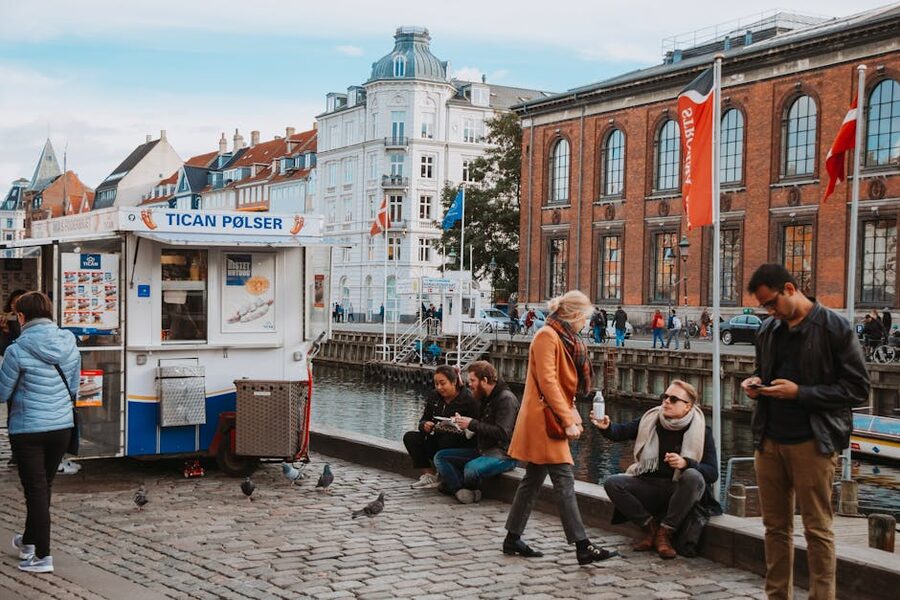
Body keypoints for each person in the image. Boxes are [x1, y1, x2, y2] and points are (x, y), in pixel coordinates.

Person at [742, 264, 869, 600]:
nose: (769, 311)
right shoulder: (769, 330)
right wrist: (756, 384)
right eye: (764, 307)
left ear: (789, 288)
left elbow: (858, 389)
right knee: (775, 529)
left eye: (771, 303)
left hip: (813, 441)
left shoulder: (834, 328)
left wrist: (800, 393)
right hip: (768, 439)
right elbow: (763, 371)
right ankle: (777, 596)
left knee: (818, 530)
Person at [503, 290, 617, 565]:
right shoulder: (547, 336)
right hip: (546, 420)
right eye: (584, 318)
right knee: (564, 478)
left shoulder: (563, 338)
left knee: (532, 480)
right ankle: (582, 545)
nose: (585, 325)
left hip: (549, 417)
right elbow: (548, 382)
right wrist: (568, 419)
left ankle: (512, 538)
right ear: (574, 315)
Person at [593, 380, 721, 559]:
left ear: (687, 407)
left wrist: (686, 463)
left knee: (693, 476)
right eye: (665, 396)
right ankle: (651, 528)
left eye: (674, 399)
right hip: (650, 485)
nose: (666, 401)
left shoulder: (702, 431)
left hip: (679, 489)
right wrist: (606, 427)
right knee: (613, 483)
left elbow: (712, 473)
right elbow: (621, 432)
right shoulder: (652, 419)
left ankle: (665, 533)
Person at [0, 291, 81, 573]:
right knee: (43, 488)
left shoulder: (16, 350)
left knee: (35, 490)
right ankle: (29, 543)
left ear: (22, 317)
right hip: (60, 427)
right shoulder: (69, 343)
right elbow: (73, 387)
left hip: (28, 430)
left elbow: (2, 392)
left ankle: (43, 557)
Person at [432, 361, 520, 504]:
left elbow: (503, 433)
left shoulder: (506, 399)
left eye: (472, 380)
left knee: (471, 469)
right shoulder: (483, 398)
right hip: (482, 449)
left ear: (484, 381)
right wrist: (461, 422)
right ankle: (460, 490)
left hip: (503, 454)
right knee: (440, 457)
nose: (469, 384)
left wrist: (472, 424)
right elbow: (479, 423)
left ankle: (453, 486)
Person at [403, 365, 478, 489]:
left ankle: (446, 476)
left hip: (458, 443)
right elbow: (423, 419)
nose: (439, 387)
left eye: (443, 383)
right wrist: (424, 425)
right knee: (410, 437)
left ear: (453, 382)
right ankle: (429, 475)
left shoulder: (468, 400)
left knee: (448, 438)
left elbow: (476, 427)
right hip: (436, 437)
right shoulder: (434, 396)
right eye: (436, 384)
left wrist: (462, 424)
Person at [1, 289, 27, 357]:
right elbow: (3, 350)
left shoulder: (32, 323)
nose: (15, 306)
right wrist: (5, 331)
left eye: (18, 303)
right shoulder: (6, 321)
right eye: (13, 303)